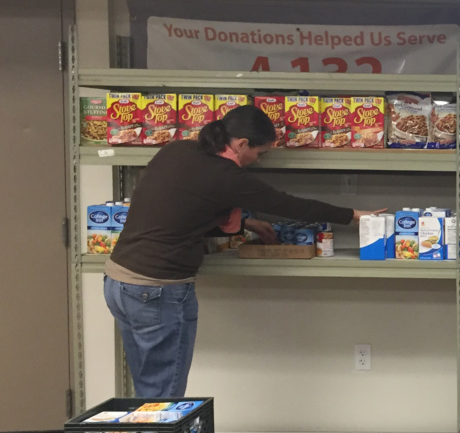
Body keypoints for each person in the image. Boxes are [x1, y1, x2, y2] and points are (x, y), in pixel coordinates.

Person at [104, 105, 384, 398]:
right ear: (241, 144)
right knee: (162, 396)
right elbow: (289, 205)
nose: (257, 160)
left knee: (147, 388)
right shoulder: (227, 178)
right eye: (259, 153)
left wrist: (245, 223)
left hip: (118, 281)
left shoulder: (178, 150)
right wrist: (353, 214)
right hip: (157, 289)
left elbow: (179, 207)